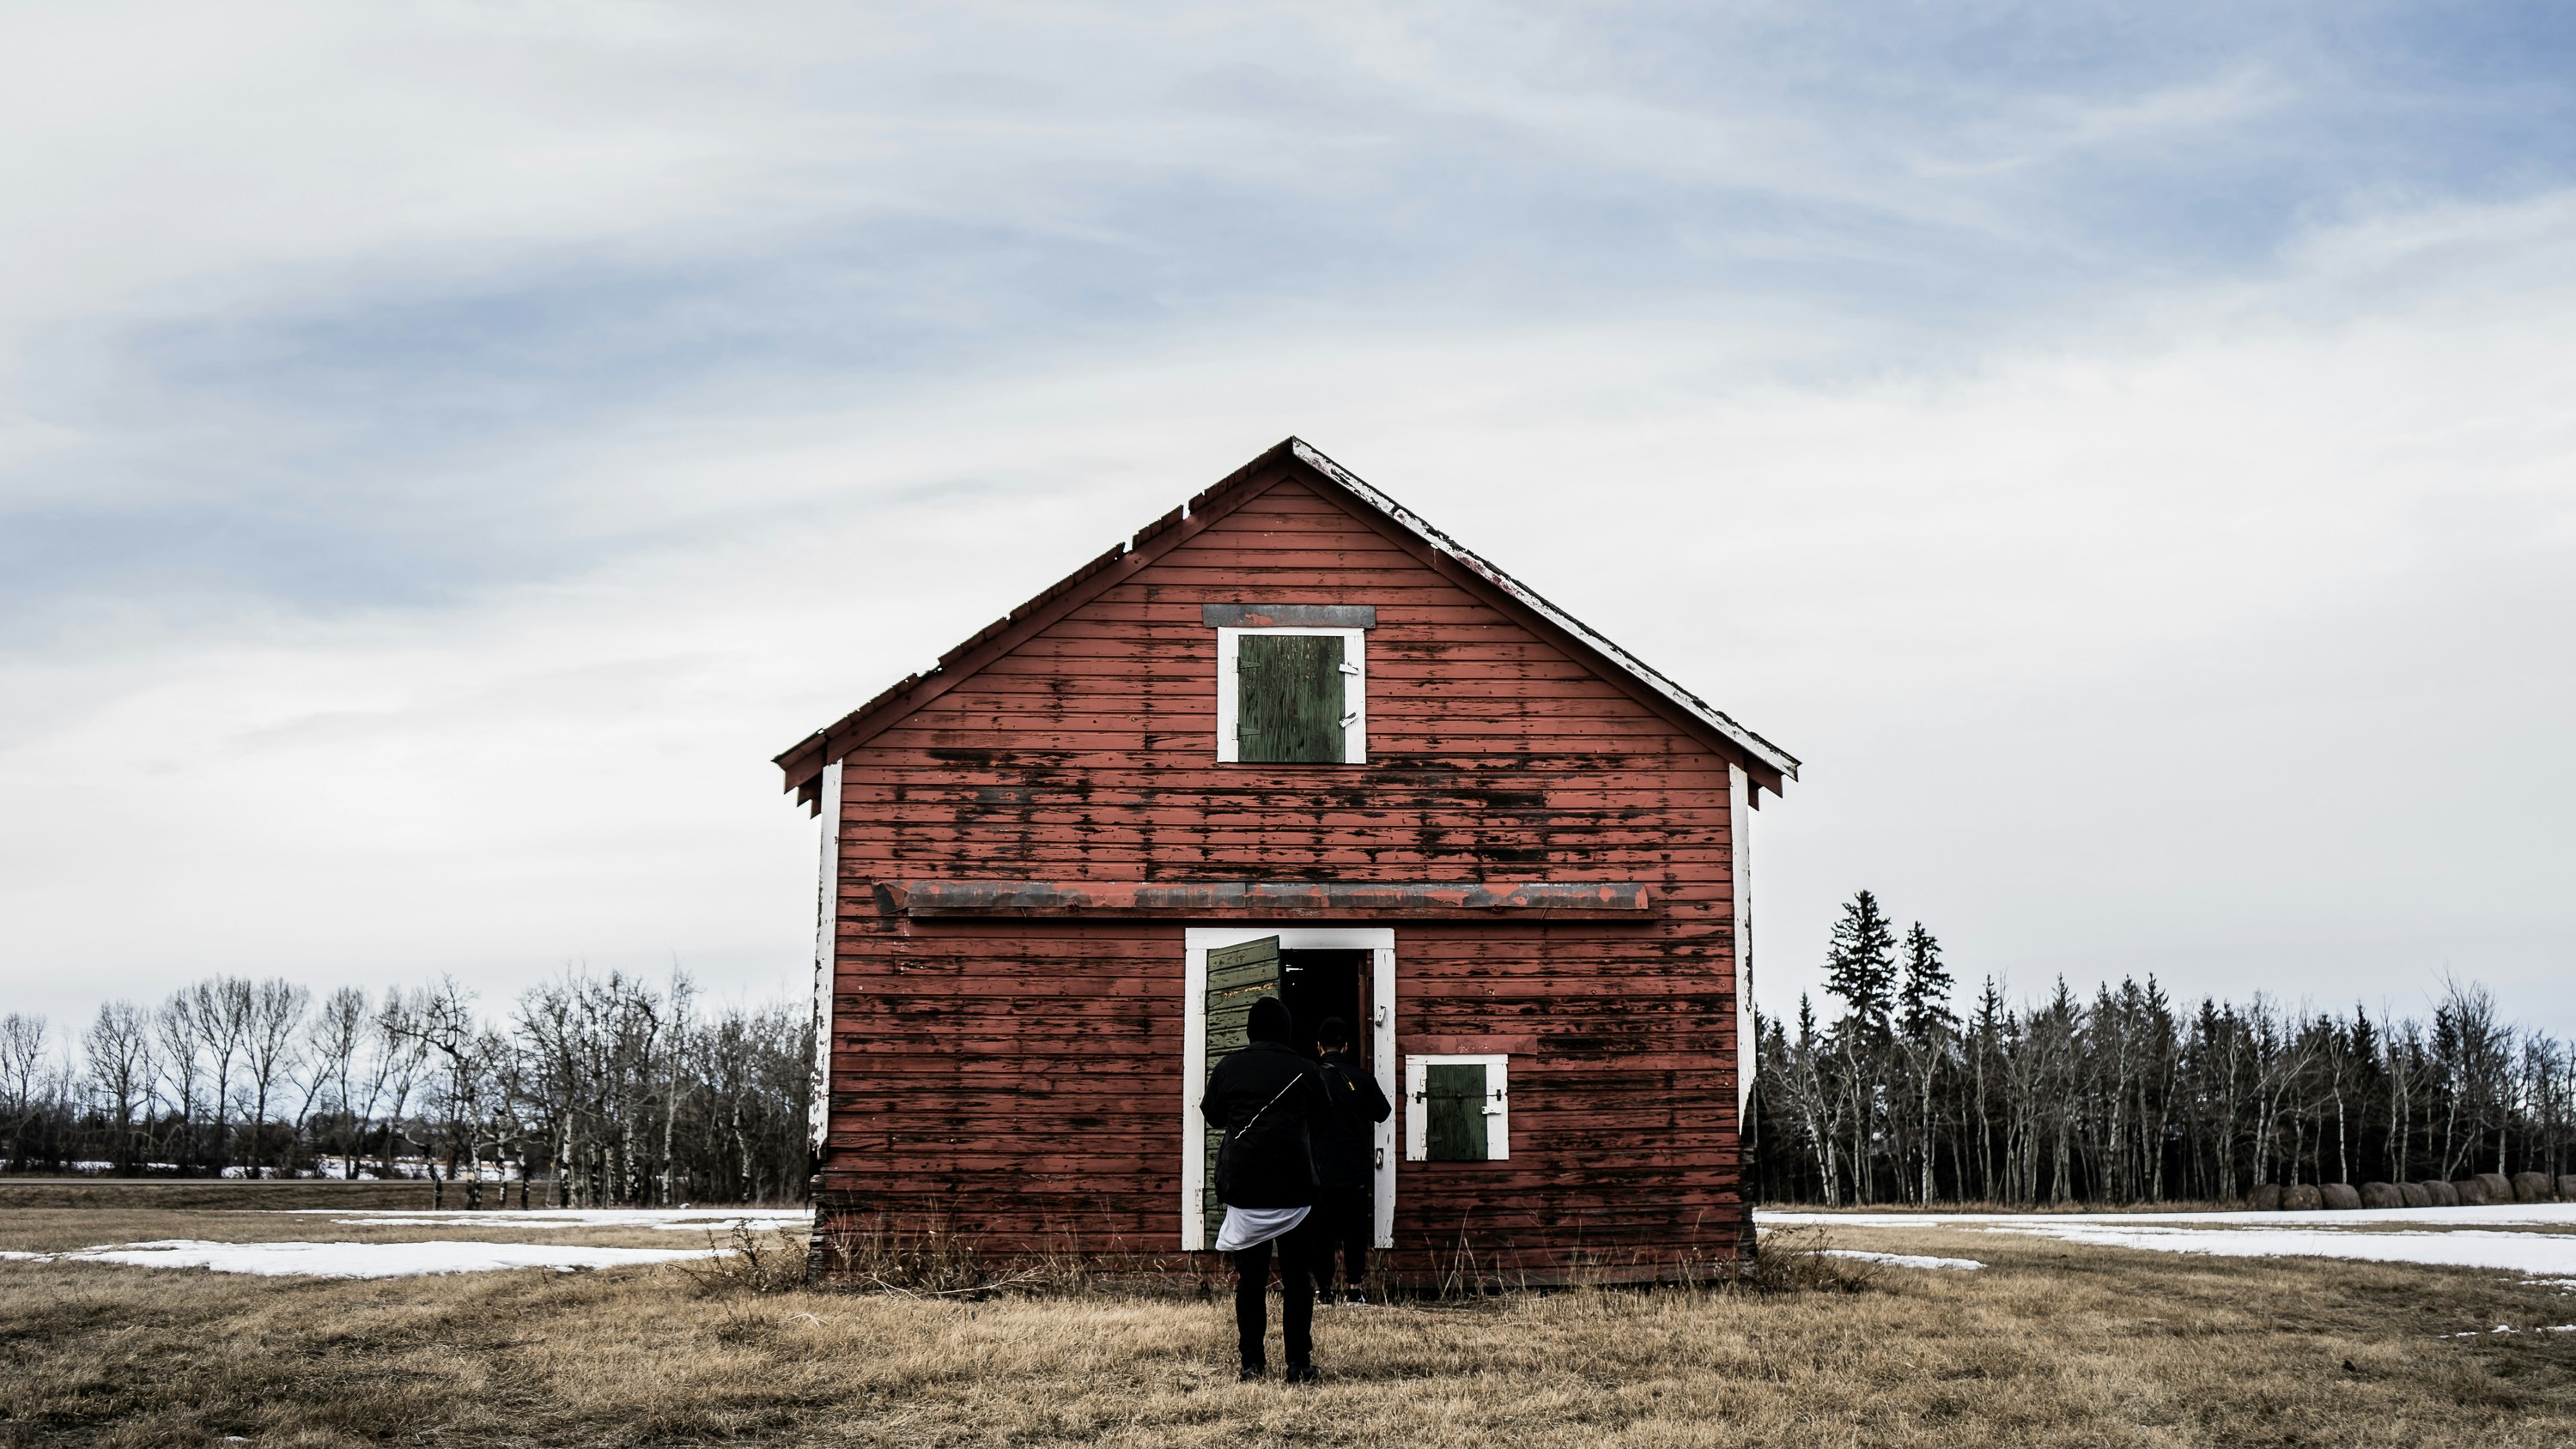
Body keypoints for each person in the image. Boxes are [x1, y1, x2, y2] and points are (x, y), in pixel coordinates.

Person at [1202, 995, 1330, 1382]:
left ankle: (1252, 1364)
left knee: (1251, 1280)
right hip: (1294, 1190)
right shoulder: (1307, 1071)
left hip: (1245, 1188)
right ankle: (1298, 1364)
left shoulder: (1229, 1066)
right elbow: (1323, 1118)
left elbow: (1212, 1116)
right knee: (1297, 1280)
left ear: (1250, 1029)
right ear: (1287, 1030)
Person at [1311, 1016, 1391, 1304]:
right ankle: (1355, 1290)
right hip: (1355, 1167)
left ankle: (1324, 1291)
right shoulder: (1361, 1078)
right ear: (1345, 1047)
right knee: (1354, 1231)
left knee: (1322, 1232)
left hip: (1320, 1168)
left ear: (1319, 1047)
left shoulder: (1312, 1078)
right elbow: (1383, 1112)